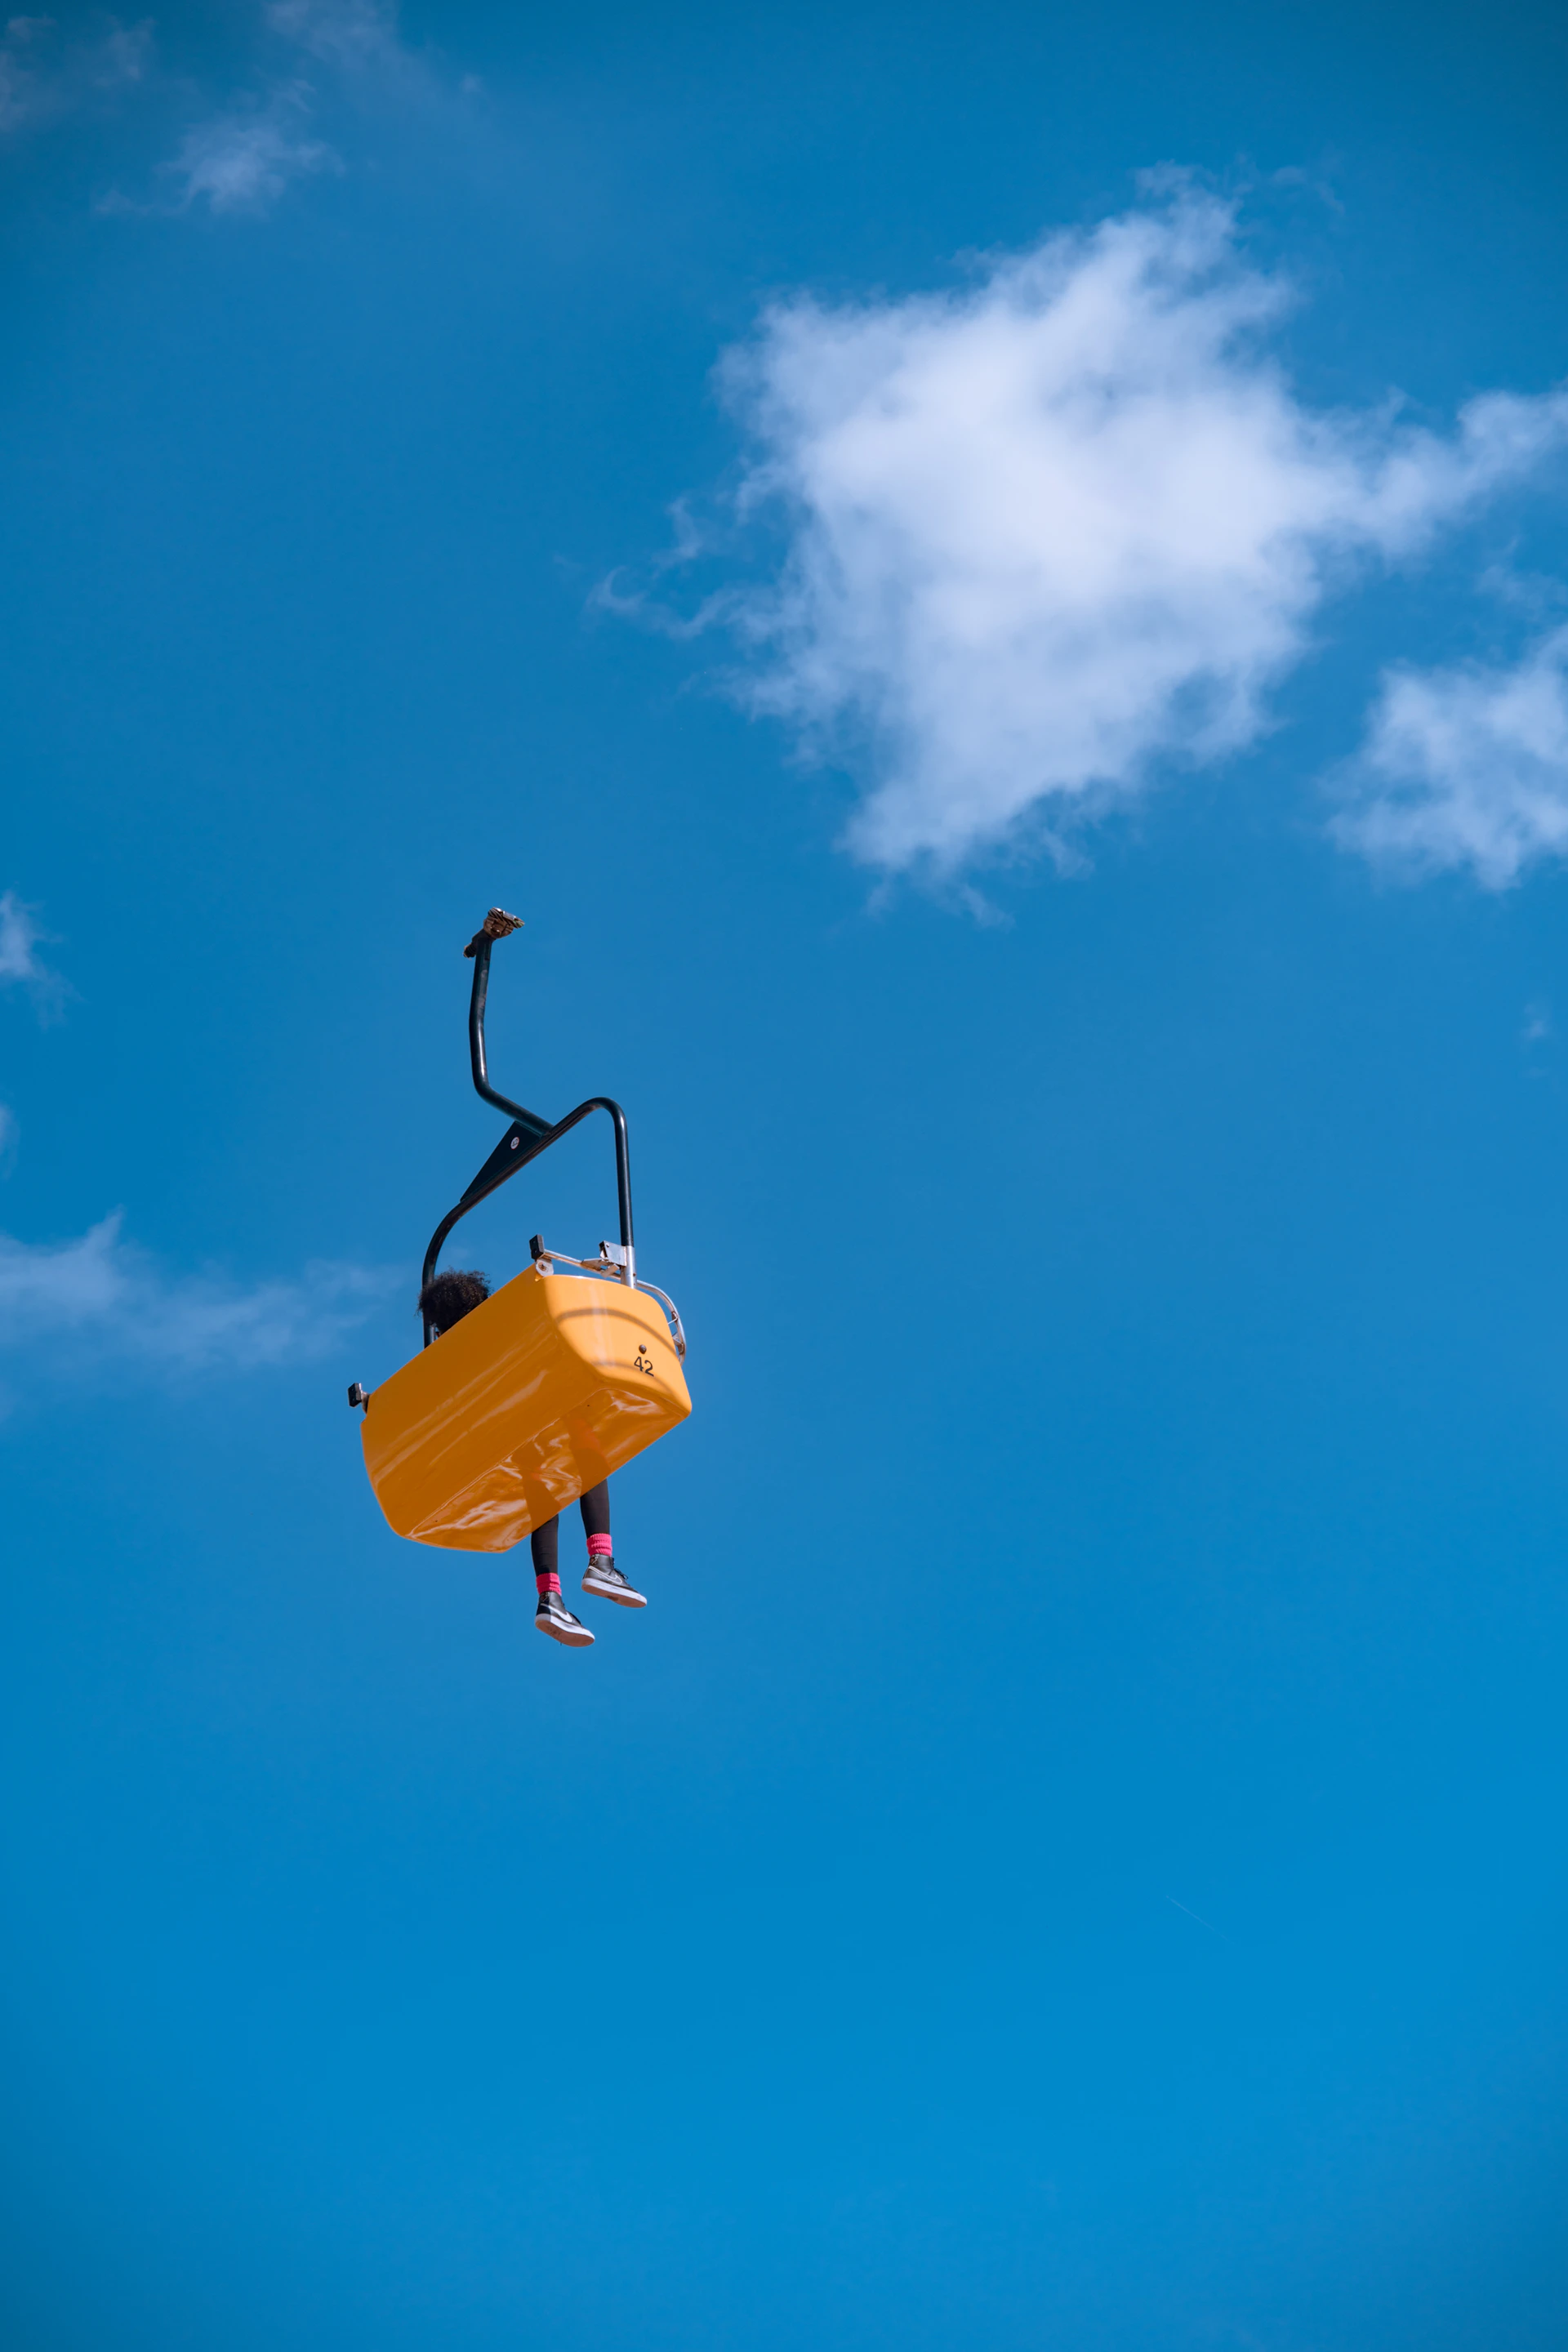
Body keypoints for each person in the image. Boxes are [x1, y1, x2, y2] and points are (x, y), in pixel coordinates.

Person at [416, 1267, 648, 1650]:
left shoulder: (443, 1357)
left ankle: (550, 1598)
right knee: (588, 1451)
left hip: (498, 1428)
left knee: (541, 1495)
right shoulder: (497, 1327)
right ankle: (601, 1561)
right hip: (533, 1399)